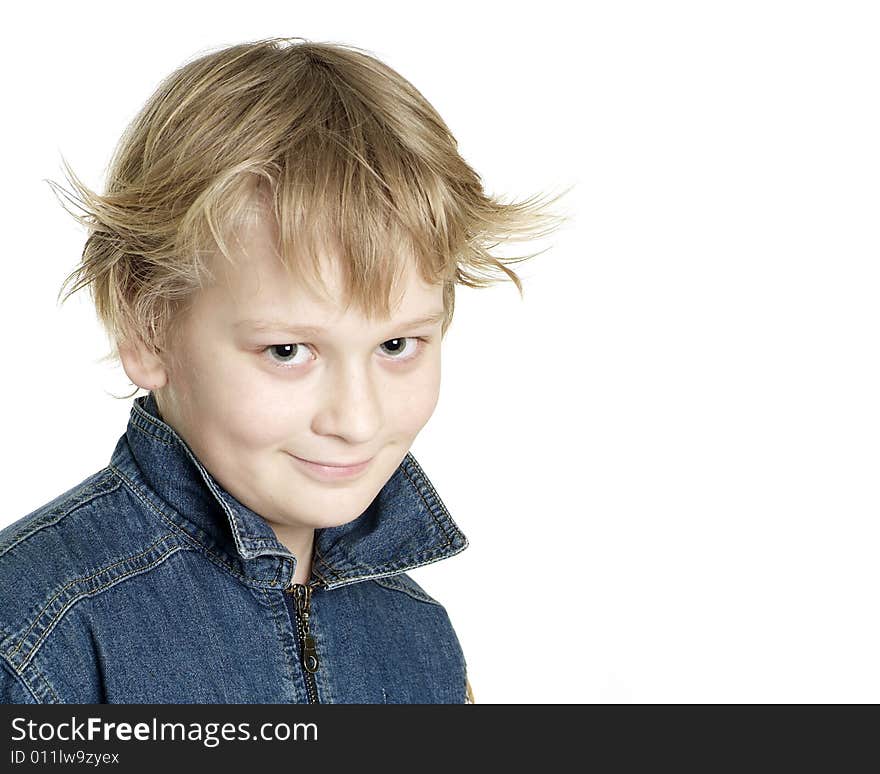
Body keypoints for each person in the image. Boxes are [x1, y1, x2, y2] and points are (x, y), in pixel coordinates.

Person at [0, 36, 569, 703]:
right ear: (147, 326)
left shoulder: (419, 638)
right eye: (287, 352)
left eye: (396, 346)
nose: (357, 420)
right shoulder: (36, 633)